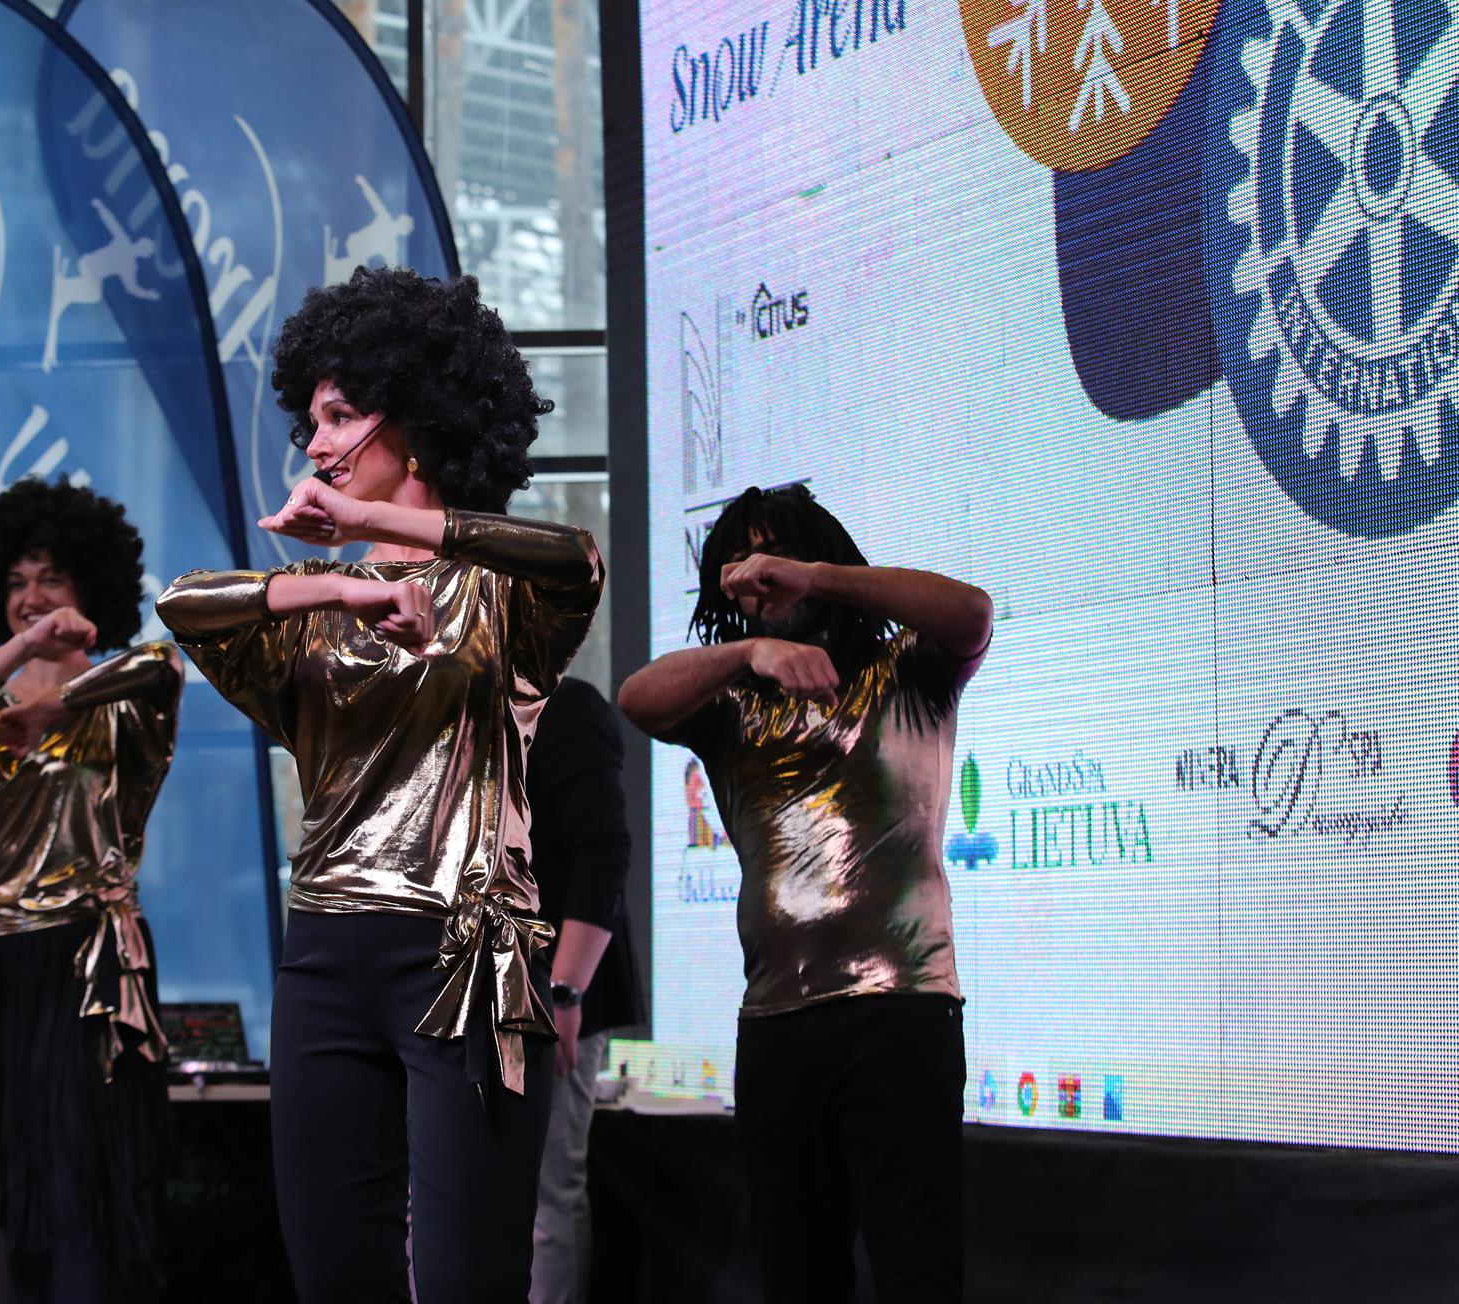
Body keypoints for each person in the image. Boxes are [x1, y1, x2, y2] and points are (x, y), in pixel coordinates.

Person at [157, 265, 602, 1304]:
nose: (315, 445)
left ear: (416, 420)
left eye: (340, 415)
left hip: (466, 958)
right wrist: (338, 584)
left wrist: (391, 530)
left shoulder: (506, 597)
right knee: (333, 1279)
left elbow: (575, 558)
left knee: (466, 1283)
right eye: (310, 421)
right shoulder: (314, 608)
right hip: (322, 961)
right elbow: (183, 605)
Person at [617, 482, 994, 1304]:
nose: (758, 576)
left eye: (772, 556)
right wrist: (747, 654)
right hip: (776, 1025)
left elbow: (971, 613)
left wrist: (815, 577)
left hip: (900, 1011)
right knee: (797, 1275)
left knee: (917, 1270)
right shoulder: (729, 703)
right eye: (739, 565)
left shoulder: (908, 671)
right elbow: (636, 698)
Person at [0, 476, 182, 1304]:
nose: (31, 597)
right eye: (16, 582)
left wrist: (59, 701)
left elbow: (162, 667)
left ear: (90, 588)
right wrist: (24, 650)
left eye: (52, 579)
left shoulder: (124, 708)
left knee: (87, 1182)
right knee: (6, 1187)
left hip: (89, 965)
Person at [525, 677, 644, 1304]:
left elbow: (604, 851)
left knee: (546, 1191)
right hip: (460, 987)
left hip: (551, 984)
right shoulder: (446, 709)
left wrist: (565, 990)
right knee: (429, 1189)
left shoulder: (563, 705)